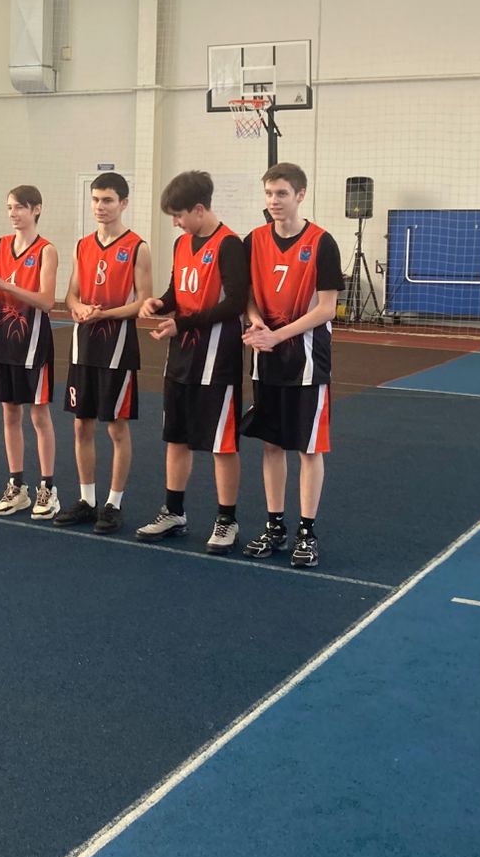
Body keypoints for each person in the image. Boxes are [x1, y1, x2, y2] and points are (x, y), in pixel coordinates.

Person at [136, 170, 249, 552]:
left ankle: (227, 520)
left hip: (217, 360)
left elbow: (235, 304)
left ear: (199, 209)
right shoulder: (182, 243)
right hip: (181, 358)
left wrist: (181, 323)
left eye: (179, 215)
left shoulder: (230, 245)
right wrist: (159, 304)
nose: (176, 223)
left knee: (222, 444)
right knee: (176, 438)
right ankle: (173, 511)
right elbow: (176, 292)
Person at [241, 163, 342, 567]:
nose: (273, 201)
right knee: (271, 444)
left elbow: (327, 308)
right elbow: (248, 296)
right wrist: (255, 322)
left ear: (300, 195)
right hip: (266, 360)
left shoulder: (322, 243)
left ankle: (307, 532)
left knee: (308, 448)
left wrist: (278, 335)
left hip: (307, 362)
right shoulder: (254, 240)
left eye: (281, 193)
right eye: (269, 193)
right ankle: (275, 526)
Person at [54, 172, 152, 534]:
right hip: (83, 347)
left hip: (118, 349)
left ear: (123, 203)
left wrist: (105, 314)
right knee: (81, 424)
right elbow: (71, 295)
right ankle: (87, 499)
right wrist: (79, 308)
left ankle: (113, 503)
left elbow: (144, 301)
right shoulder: (83, 245)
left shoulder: (138, 247)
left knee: (116, 427)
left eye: (108, 200)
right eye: (96, 199)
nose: (100, 206)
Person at [0, 186, 60, 520]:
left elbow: (47, 301)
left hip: (33, 343)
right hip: (2, 341)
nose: (13, 213)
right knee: (9, 414)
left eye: (19, 208)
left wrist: (5, 284)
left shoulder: (46, 251)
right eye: (9, 207)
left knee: (39, 416)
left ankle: (48, 488)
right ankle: (17, 486)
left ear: (36, 209)